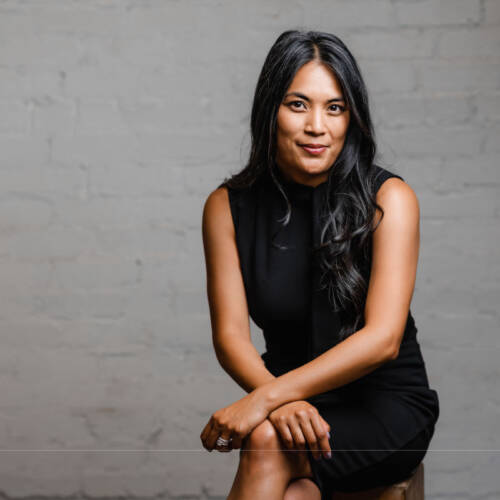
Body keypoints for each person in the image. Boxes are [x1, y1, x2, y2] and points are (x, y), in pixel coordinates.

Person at [200, 30, 439, 500]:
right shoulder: (227, 206)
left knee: (266, 441)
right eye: (298, 105)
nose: (317, 126)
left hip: (385, 409)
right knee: (294, 492)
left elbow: (383, 340)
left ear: (352, 117)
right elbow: (230, 336)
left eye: (335, 108)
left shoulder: (389, 199)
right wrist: (281, 399)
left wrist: (268, 400)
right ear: (271, 110)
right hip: (288, 400)